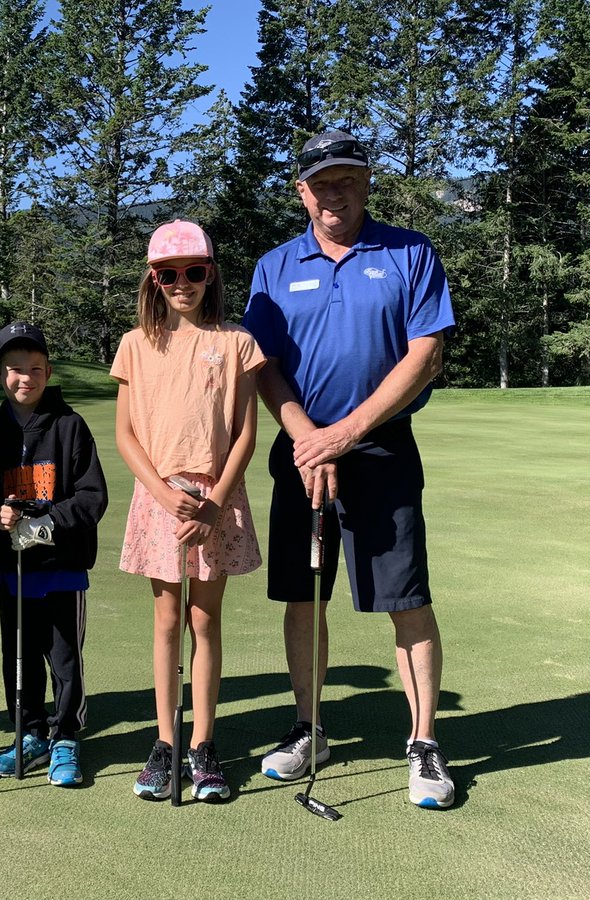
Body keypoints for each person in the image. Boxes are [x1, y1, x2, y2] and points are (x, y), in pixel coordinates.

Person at [242, 130, 458, 809]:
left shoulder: (409, 252)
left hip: (380, 452)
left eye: (347, 179)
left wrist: (345, 434)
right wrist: (309, 438)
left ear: (367, 183)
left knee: (407, 598)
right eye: (321, 182)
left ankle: (423, 742)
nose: (335, 192)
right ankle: (310, 728)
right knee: (304, 596)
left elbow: (425, 354)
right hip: (302, 456)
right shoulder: (276, 266)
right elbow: (264, 365)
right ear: (301, 191)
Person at [111, 220, 265, 803]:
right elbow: (126, 434)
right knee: (167, 620)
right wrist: (162, 490)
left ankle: (203, 744)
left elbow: (246, 433)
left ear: (210, 275)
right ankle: (165, 742)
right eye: (169, 274)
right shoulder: (134, 344)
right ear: (153, 279)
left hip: (216, 498)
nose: (183, 283)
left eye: (194, 272)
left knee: (205, 621)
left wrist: (214, 500)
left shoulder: (235, 342)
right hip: (160, 497)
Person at [0, 322, 109, 787]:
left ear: (49, 371)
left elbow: (93, 497)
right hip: (14, 571)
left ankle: (66, 735)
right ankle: (28, 732)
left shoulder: (70, 425)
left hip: (63, 569)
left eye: (35, 369)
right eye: (14, 369)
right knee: (19, 656)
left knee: (64, 657)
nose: (25, 378)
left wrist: (49, 522)